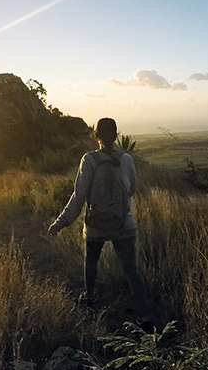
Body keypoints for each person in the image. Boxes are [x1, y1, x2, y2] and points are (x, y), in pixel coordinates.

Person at [48, 118, 147, 315]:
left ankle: (90, 298)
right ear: (117, 135)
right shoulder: (127, 160)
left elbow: (79, 196)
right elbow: (132, 189)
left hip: (96, 224)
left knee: (91, 262)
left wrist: (61, 222)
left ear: (96, 136)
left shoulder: (89, 159)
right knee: (131, 270)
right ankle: (143, 310)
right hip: (123, 223)